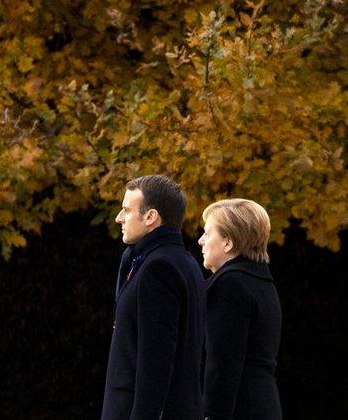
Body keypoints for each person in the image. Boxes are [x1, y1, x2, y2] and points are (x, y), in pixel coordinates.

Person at [101, 174, 205, 420]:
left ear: (150, 217)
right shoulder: (183, 262)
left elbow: (156, 359)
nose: (119, 217)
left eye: (126, 210)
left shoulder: (158, 268)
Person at [199, 199, 282, 420]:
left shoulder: (229, 285)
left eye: (208, 234)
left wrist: (212, 415)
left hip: (238, 409)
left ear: (228, 242)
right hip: (264, 405)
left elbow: (223, 363)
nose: (201, 241)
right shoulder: (262, 282)